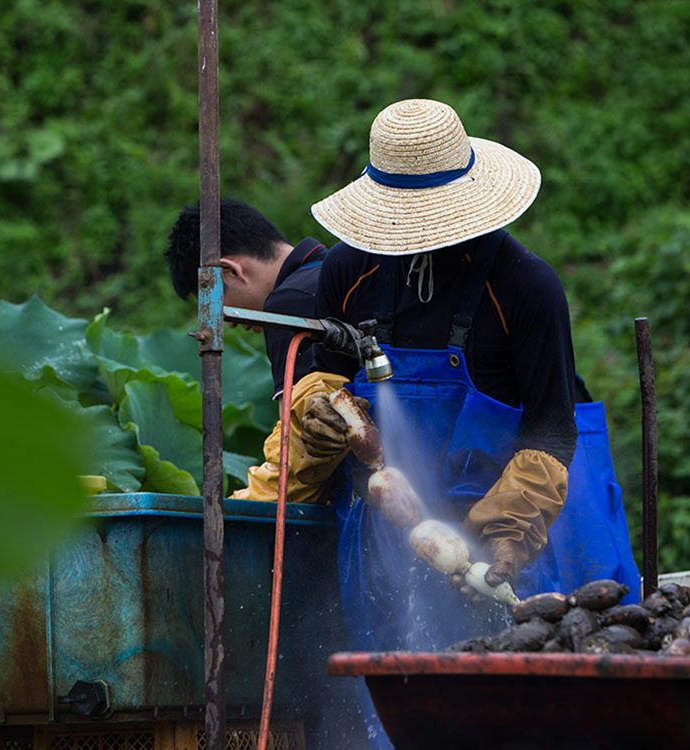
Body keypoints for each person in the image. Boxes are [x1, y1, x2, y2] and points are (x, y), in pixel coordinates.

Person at [288, 97, 639, 747]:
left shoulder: (525, 286)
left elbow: (553, 426)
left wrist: (509, 530)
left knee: (508, 718)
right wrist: (318, 406)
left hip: (496, 541)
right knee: (390, 716)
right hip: (384, 534)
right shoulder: (348, 271)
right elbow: (327, 372)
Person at [166, 198, 344, 503]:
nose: (229, 322)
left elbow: (297, 453)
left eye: (217, 304)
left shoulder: (287, 304)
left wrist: (240, 507)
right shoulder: (332, 273)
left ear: (230, 271)